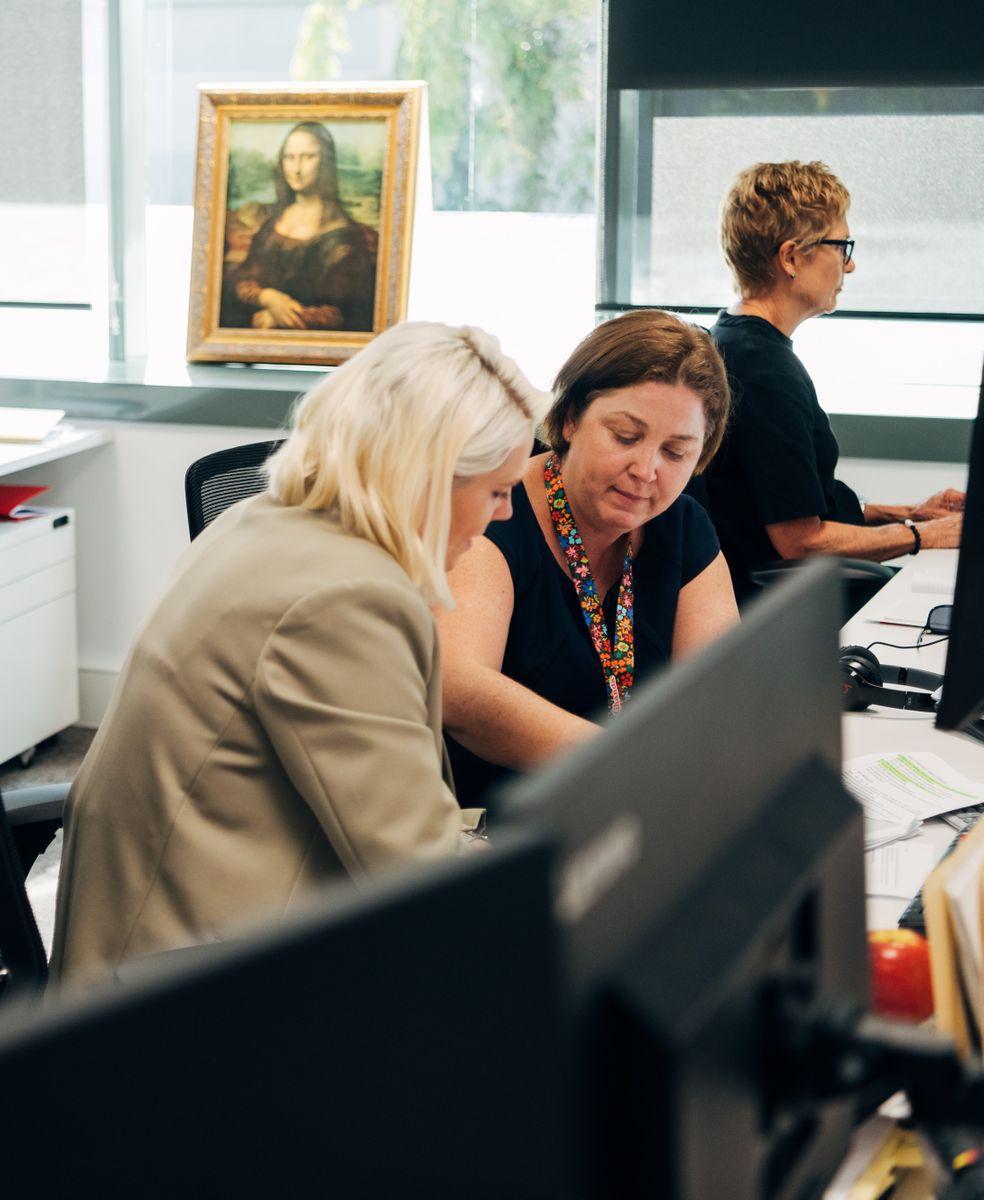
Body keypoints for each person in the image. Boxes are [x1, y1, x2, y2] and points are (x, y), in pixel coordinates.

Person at [50, 321, 549, 989]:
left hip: (161, 937)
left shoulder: (264, 519)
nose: (509, 513)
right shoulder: (346, 598)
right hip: (190, 994)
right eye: (496, 490)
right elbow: (417, 874)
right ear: (427, 475)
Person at [438, 309, 739, 814]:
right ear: (572, 417)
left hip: (633, 813)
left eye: (676, 451)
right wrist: (633, 766)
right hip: (496, 829)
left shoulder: (682, 527)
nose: (646, 471)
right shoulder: (495, 513)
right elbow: (459, 688)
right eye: (625, 436)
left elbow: (721, 692)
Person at [703, 160, 963, 605]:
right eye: (841, 246)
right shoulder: (765, 372)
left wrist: (908, 512)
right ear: (790, 257)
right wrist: (925, 534)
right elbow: (800, 541)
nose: (851, 263)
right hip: (784, 613)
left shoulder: (734, 339)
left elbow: (793, 502)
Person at [220, 121, 376, 332]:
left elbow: (347, 312)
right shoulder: (274, 223)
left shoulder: (344, 235)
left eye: (308, 157)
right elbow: (242, 279)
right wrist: (267, 298)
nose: (296, 168)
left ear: (325, 162)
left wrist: (282, 317)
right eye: (289, 157)